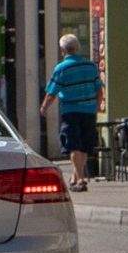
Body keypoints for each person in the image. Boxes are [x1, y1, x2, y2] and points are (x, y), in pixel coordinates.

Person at [40, 34, 104, 191]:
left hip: (71, 111)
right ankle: (75, 177)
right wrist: (95, 106)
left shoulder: (61, 69)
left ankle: (81, 180)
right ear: (77, 48)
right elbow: (99, 90)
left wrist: (44, 108)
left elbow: (52, 92)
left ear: (63, 50)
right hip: (89, 111)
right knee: (84, 146)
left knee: (74, 145)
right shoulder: (90, 66)